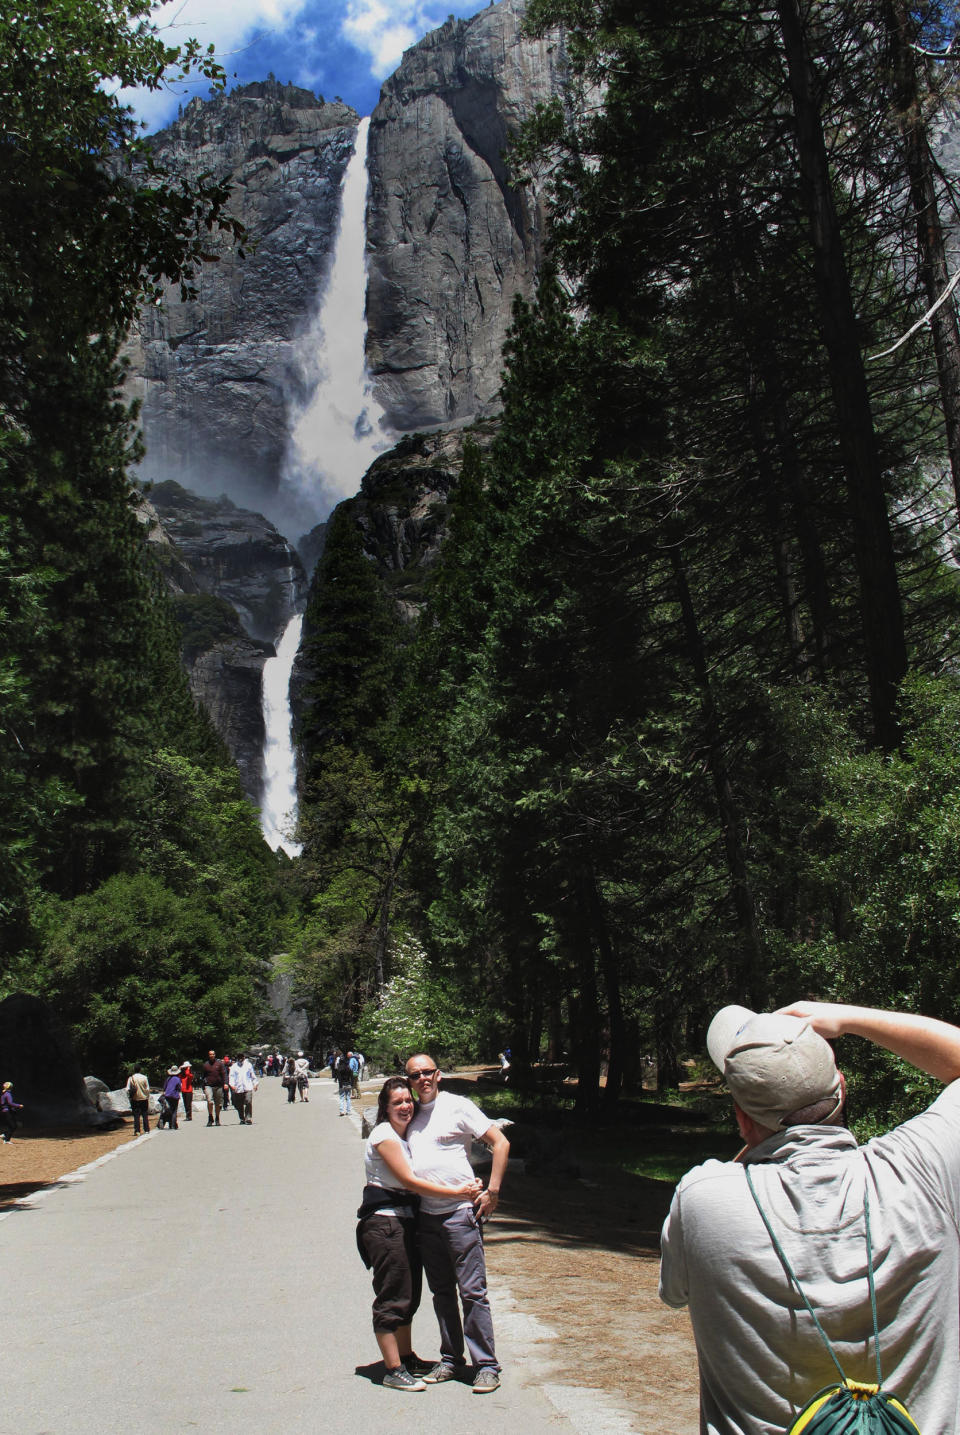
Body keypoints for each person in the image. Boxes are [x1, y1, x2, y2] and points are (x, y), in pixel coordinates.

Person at [659, 1001, 960, 1434]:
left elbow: (673, 1294)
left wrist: (753, 1135)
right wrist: (847, 1019)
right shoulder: (921, 1170)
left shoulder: (702, 1199)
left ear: (742, 1119)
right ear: (842, 1087)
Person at [357, 1077, 482, 1393]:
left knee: (409, 1294)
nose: (404, 1106)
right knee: (393, 1295)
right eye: (397, 1102)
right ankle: (393, 1369)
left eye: (407, 1100)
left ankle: (406, 1356)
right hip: (385, 1225)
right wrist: (457, 1192)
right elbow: (410, 1181)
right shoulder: (385, 1135)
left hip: (405, 1222)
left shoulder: (406, 1134)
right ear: (385, 1107)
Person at [404, 1053, 510, 1393]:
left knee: (472, 1292)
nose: (422, 1079)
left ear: (439, 1075)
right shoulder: (409, 1114)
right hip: (426, 1216)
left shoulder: (457, 1106)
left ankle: (486, 1365)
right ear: (408, 1080)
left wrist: (492, 1191)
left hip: (460, 1215)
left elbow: (500, 1142)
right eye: (415, 1074)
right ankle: (451, 1359)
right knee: (441, 1293)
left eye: (427, 1073)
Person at [229, 1052, 258, 1124]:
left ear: (244, 1058)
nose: (240, 1059)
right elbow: (231, 1077)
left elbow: (252, 1075)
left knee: (248, 1101)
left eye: (242, 1057)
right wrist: (232, 1085)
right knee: (239, 1104)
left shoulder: (248, 1065)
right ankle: (242, 1118)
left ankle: (248, 1118)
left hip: (247, 1087)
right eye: (239, 1058)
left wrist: (255, 1084)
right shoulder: (234, 1067)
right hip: (238, 1088)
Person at [202, 1050, 226, 1126]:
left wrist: (225, 1083)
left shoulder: (220, 1064)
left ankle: (217, 1118)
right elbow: (203, 1076)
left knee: (218, 1104)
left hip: (218, 1086)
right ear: (208, 1055)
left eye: (213, 1054)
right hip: (208, 1085)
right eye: (210, 1054)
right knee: (210, 1101)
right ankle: (210, 1117)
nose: (211, 1055)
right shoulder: (206, 1064)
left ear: (215, 1055)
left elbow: (224, 1074)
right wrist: (203, 1086)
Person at [125, 1068, 151, 1135]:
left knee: (136, 1116)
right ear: (140, 1070)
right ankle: (146, 1130)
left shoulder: (131, 1078)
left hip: (135, 1099)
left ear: (134, 1070)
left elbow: (127, 1089)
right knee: (145, 1114)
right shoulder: (144, 1077)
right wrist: (147, 1096)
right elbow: (148, 1089)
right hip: (144, 1098)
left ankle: (137, 1131)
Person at [336, 1051, 355, 1116]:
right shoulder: (349, 1068)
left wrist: (340, 1085)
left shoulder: (340, 1069)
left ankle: (341, 1111)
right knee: (348, 1098)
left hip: (342, 1084)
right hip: (348, 1084)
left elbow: (339, 1078)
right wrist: (352, 1085)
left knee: (341, 1098)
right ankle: (348, 1111)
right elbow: (352, 1077)